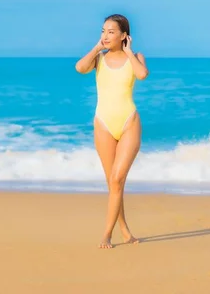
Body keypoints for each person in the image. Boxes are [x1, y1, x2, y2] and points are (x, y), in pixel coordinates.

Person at [75, 13, 149, 249]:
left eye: (111, 32)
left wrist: (129, 52)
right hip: (103, 124)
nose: (106, 36)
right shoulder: (99, 59)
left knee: (117, 179)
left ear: (124, 36)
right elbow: (79, 68)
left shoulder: (136, 57)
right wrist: (97, 47)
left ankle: (106, 235)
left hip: (129, 122)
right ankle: (126, 231)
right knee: (113, 183)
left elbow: (142, 74)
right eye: (103, 31)